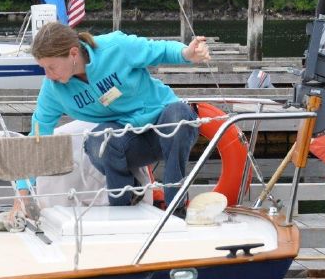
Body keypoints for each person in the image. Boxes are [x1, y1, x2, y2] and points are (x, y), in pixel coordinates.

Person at [12, 21, 210, 218]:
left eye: (51, 67)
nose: (48, 75)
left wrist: (187, 53)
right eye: (43, 68)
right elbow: (37, 138)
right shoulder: (53, 91)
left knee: (178, 115)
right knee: (98, 141)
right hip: (130, 139)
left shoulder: (115, 47)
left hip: (165, 121)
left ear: (73, 54)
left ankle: (177, 209)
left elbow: (159, 49)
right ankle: (124, 206)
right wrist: (22, 194)